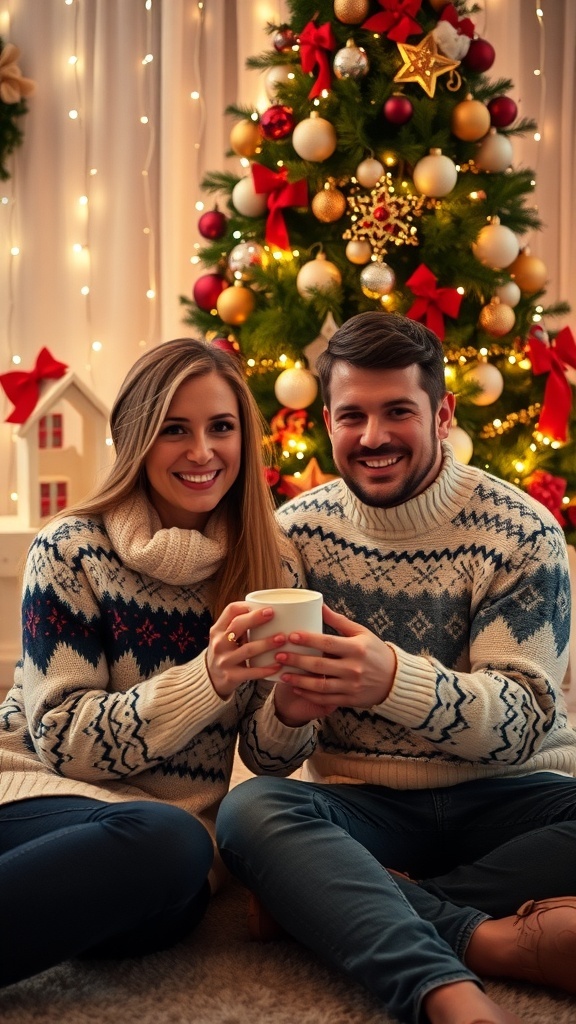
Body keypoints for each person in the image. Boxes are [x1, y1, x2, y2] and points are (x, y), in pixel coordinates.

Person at [216, 311, 576, 1024]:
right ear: (326, 422)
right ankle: (476, 953)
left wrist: (391, 680)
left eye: (397, 412)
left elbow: (521, 726)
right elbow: (262, 757)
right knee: (250, 812)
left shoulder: (523, 531)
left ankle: (345, 899)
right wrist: (286, 713)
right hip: (365, 807)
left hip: (512, 796)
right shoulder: (293, 536)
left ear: (442, 414)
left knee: (291, 865)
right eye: (353, 416)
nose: (373, 437)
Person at [0, 337, 317, 989]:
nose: (202, 452)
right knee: (167, 841)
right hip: (36, 792)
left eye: (220, 428)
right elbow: (63, 741)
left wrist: (291, 708)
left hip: (155, 842)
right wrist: (209, 679)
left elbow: (272, 760)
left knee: (171, 879)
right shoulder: (70, 551)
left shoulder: (271, 564)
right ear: (136, 438)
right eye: (175, 429)